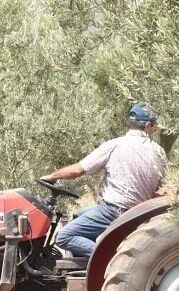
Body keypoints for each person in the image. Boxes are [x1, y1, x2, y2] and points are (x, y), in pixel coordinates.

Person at [42, 104, 167, 260]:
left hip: (114, 211)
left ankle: (113, 259)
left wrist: (53, 176)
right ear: (148, 126)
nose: (153, 129)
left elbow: (78, 170)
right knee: (76, 215)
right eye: (153, 126)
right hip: (138, 211)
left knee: (64, 237)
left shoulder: (115, 145)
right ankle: (80, 266)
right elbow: (159, 187)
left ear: (130, 123)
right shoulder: (159, 152)